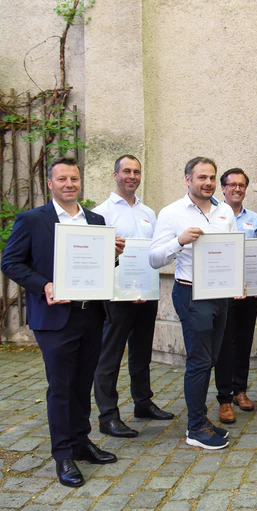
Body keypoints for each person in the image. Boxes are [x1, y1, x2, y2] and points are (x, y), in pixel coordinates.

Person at [2, 157, 123, 487]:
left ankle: (81, 441)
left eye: (74, 178)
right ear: (50, 183)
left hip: (91, 314)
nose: (69, 184)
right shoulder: (32, 219)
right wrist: (44, 285)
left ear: (80, 182)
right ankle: (63, 454)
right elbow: (10, 262)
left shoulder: (96, 220)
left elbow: (98, 267)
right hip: (54, 317)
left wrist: (113, 255)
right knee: (61, 386)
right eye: (62, 179)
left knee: (83, 382)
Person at [149, 156, 242, 450]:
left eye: (212, 177)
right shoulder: (171, 213)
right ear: (188, 179)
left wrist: (238, 279)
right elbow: (154, 259)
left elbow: (232, 251)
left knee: (211, 359)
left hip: (220, 295)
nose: (208, 183)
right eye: (202, 177)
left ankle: (201, 419)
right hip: (191, 294)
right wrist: (179, 241)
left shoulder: (224, 211)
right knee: (200, 361)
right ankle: (196, 428)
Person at [92, 155, 174, 439]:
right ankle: (108, 415)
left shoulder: (149, 212)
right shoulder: (101, 213)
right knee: (110, 355)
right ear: (115, 174)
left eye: (136, 172)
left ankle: (143, 402)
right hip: (116, 296)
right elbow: (97, 256)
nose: (132, 176)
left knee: (141, 352)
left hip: (146, 292)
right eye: (126, 171)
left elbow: (154, 251)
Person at [214, 168, 257, 424]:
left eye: (241, 185)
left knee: (244, 342)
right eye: (232, 185)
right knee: (224, 346)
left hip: (249, 292)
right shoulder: (214, 216)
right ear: (223, 188)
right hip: (223, 293)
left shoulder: (254, 219)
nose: (237, 189)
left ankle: (240, 390)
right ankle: (224, 398)